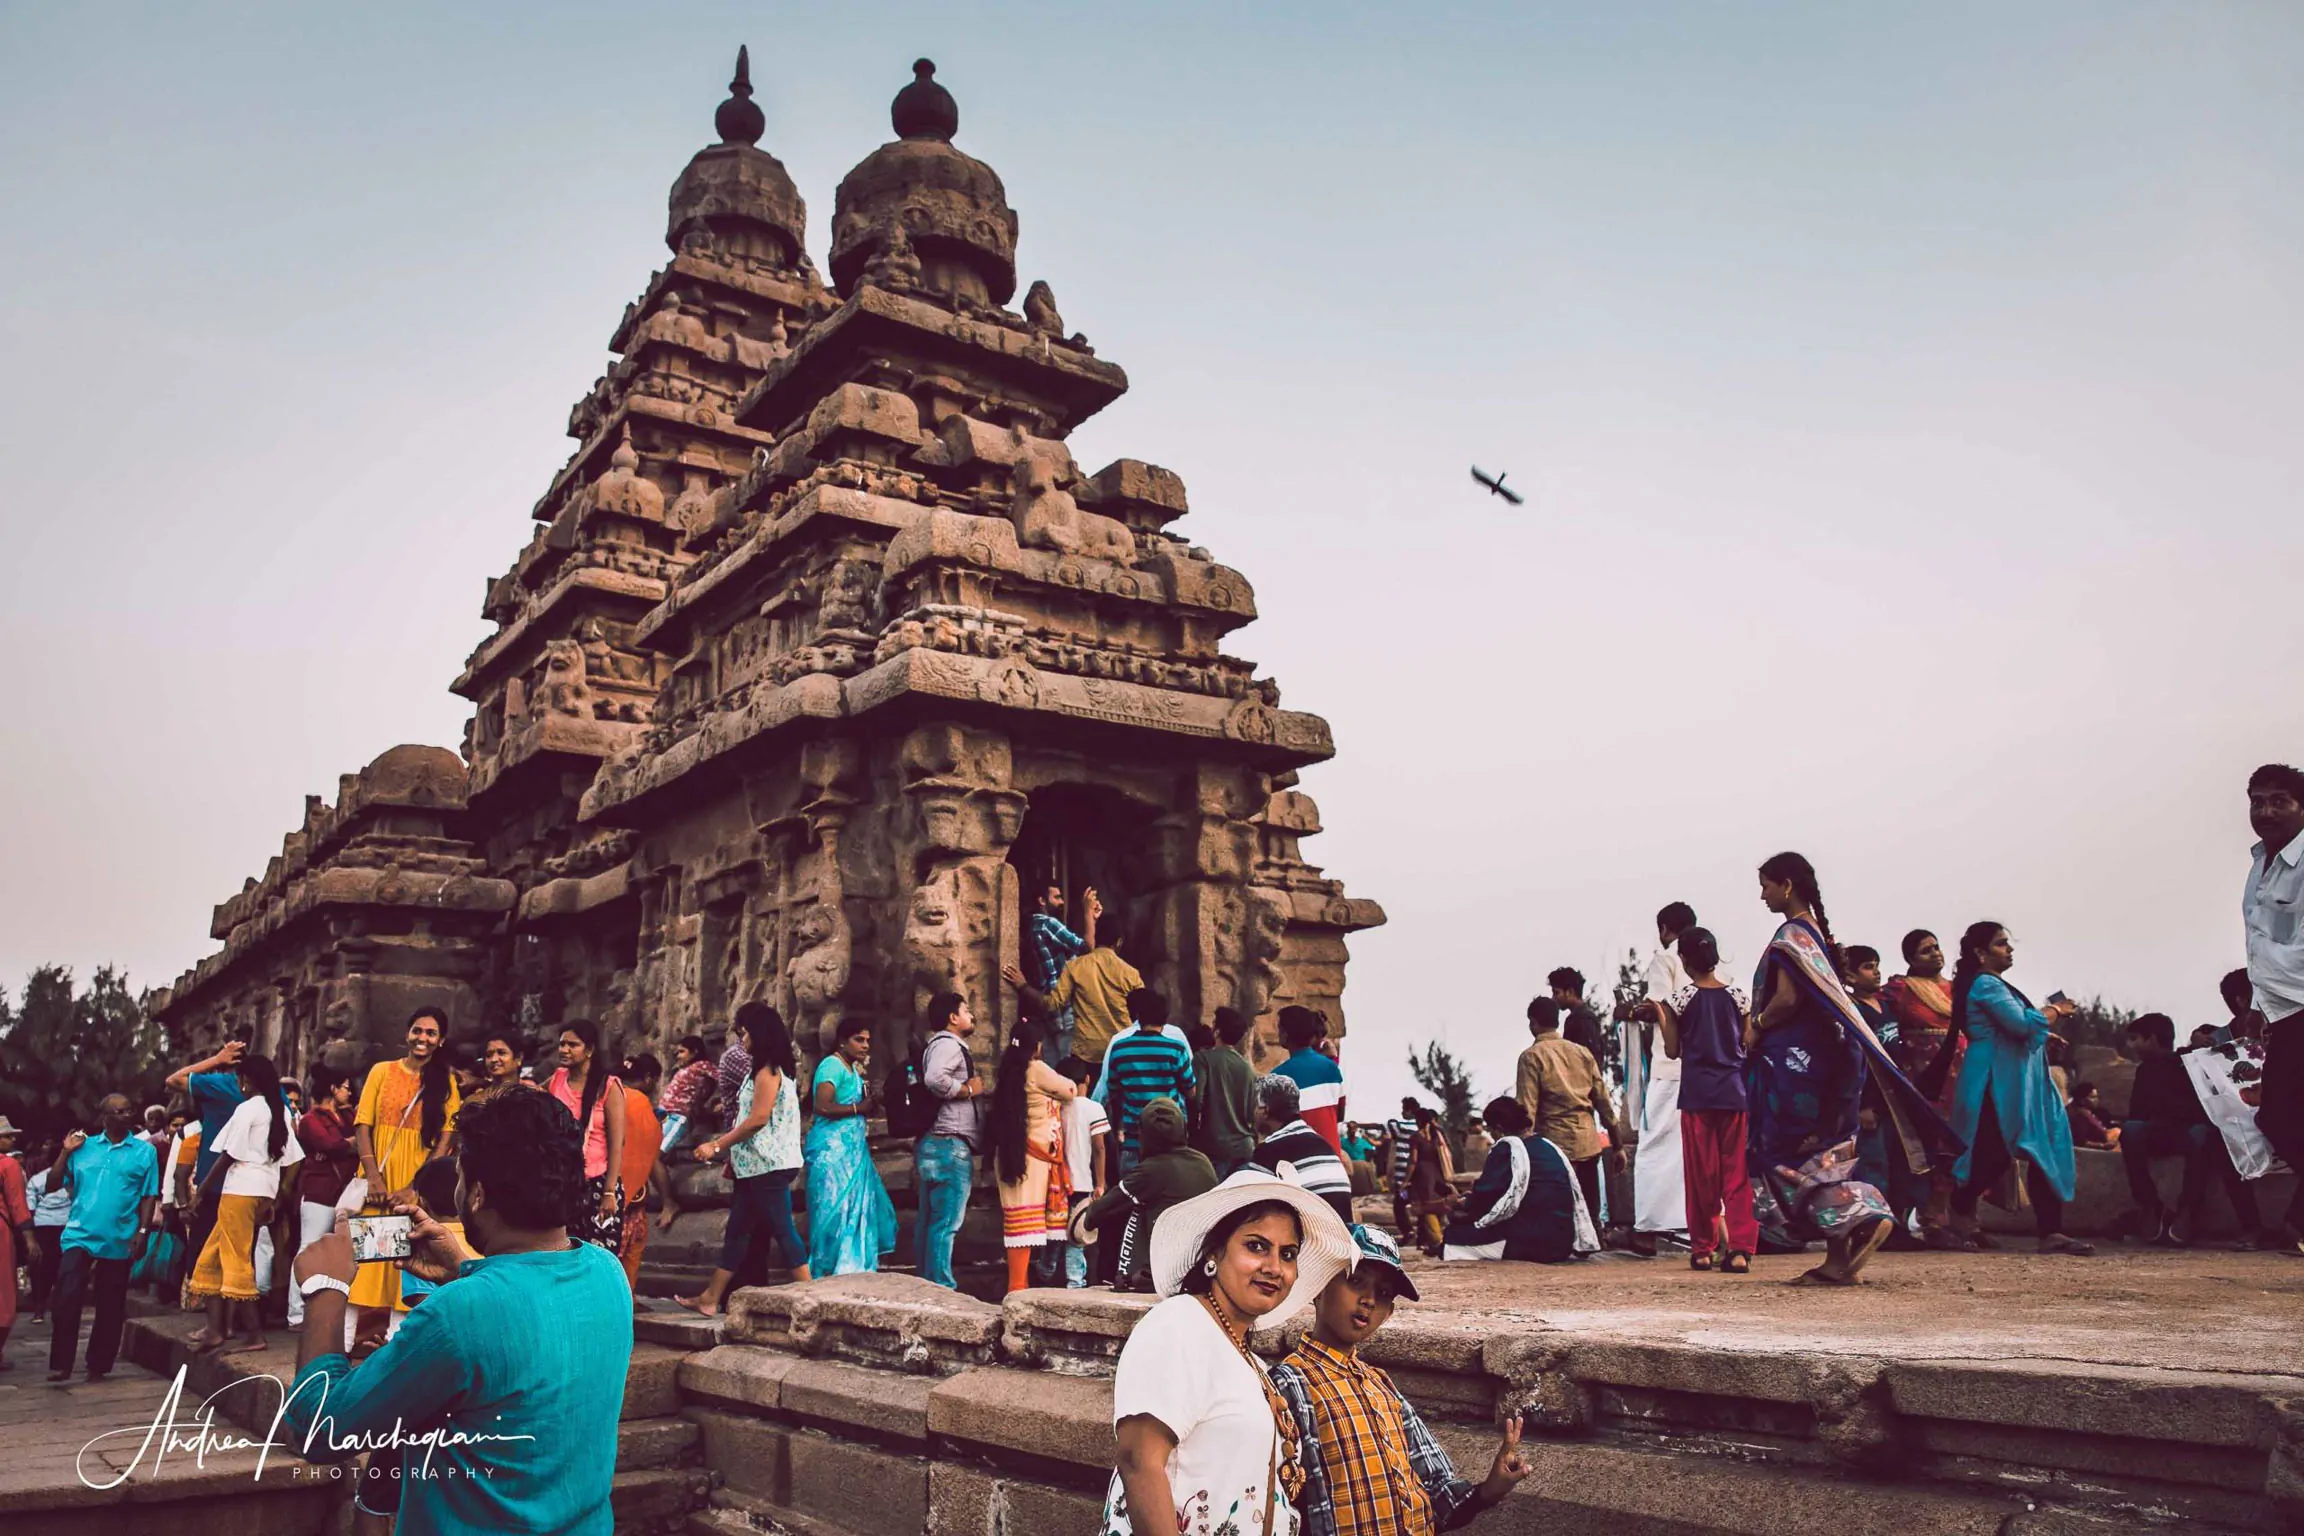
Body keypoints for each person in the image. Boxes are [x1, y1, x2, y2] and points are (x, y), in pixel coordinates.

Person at [282, 1083, 633, 1535]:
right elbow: (530, 1314)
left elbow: (321, 1429)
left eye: (462, 1176)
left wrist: (325, 1287)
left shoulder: (461, 1313)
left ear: (479, 1195)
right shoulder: (607, 1272)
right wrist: (467, 1269)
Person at [1103, 1165, 1354, 1536]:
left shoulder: (1250, 1361)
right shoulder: (1178, 1324)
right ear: (1215, 1253)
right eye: (1256, 1246)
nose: (1274, 1267)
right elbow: (1139, 1460)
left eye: (1288, 1254)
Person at [1749, 852, 1955, 1282]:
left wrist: (1757, 1025)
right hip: (1830, 1066)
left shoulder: (1792, 936)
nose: (1762, 894)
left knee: (1779, 1155)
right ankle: (1838, 1260)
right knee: (1824, 1156)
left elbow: (1787, 998)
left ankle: (1861, 1212)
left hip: (1795, 1065)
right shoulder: (1817, 935)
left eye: (1766, 884)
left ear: (1787, 885)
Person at [1271, 1224, 1531, 1536]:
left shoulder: (1381, 1386)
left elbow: (1436, 1490)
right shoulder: (1291, 1383)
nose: (1368, 1300)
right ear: (1318, 1287)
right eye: (1355, 1281)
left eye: (1382, 1294)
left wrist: (1489, 1490)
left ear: (1389, 1313)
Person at [1934, 921, 2091, 1256]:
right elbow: (2020, 1025)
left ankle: (2051, 1231)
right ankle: (1958, 1215)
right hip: (1995, 1083)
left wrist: (2046, 1034)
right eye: (2001, 944)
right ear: (1980, 953)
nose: (2010, 949)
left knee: (2037, 1149)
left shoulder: (1994, 985)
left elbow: (2015, 1026)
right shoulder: (1986, 985)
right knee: (1993, 1156)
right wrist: (2055, 1011)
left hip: (2015, 1082)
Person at [1634, 926, 1757, 1272]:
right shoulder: (1739, 997)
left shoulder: (1680, 1000)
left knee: (1701, 1174)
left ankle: (1703, 1247)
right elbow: (1748, 1042)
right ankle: (1740, 1249)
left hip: (1697, 1094)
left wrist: (1660, 1014)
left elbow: (1672, 1050)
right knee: (1736, 1175)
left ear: (1684, 961)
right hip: (1734, 1092)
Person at [682, 1003, 810, 1313]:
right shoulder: (772, 1069)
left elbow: (758, 1119)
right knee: (738, 1231)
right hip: (756, 1165)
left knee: (783, 1229)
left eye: (744, 1034)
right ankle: (711, 1298)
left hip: (767, 1164)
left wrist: (717, 1145)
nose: (742, 1041)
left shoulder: (768, 1071)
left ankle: (811, 1297)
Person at [350, 1008, 461, 1347]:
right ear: (407, 1033)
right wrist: (374, 1179)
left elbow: (445, 1138)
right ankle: (343, 1343)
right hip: (378, 1182)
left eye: (430, 1033)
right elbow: (362, 1125)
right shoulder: (381, 1072)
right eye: (417, 1030)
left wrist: (414, 1188)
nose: (422, 1038)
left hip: (415, 1185)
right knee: (366, 1261)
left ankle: (396, 1342)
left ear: (440, 1041)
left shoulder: (446, 1082)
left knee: (406, 1261)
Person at [186, 1053, 305, 1355]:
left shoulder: (248, 1109)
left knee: (236, 1261)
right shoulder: (278, 1110)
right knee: (211, 1259)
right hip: (261, 1190)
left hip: (239, 1190)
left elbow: (228, 1155)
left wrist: (201, 1191)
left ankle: (254, 1335)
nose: (238, 1084)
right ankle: (215, 1330)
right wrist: (274, 1198)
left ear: (247, 1081)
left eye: (239, 1079)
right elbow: (289, 1160)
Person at [46, 1093, 161, 1382]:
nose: (127, 1115)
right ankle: (61, 1364)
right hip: (79, 1235)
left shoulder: (144, 1152)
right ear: (105, 1117)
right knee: (66, 1298)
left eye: (129, 1109)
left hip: (120, 1237)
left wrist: (143, 1232)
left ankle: (98, 1363)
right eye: (119, 1111)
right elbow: (53, 1183)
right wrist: (65, 1152)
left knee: (110, 1304)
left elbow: (149, 1195)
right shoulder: (83, 1148)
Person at [2119, 1012, 2256, 1246]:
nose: (2131, 1045)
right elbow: (2137, 1115)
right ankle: (2150, 1205)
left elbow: (2189, 1062)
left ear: (2151, 1038)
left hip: (2190, 1132)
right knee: (2131, 1130)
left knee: (2201, 1135)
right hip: (2160, 1131)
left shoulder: (2187, 1060)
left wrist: (2194, 1047)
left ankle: (2188, 1211)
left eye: (2135, 1039)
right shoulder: (2145, 1070)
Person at [2241, 763, 2304, 1254]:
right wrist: (2259, 1007)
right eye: (2257, 801)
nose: (2265, 811)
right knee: (2276, 1119)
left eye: (2278, 800)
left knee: (2282, 1116)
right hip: (2284, 1013)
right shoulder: (2260, 864)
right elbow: (2261, 945)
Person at [1618, 901, 1699, 1257]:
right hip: (1704, 1068)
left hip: (1669, 1065)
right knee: (1693, 1149)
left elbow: (1660, 1007)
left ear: (1666, 929)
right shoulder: (1708, 964)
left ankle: (1647, 1229)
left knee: (1652, 1146)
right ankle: (1692, 1223)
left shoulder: (1666, 959)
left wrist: (1631, 1011)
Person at [1072, 1096, 1218, 1291]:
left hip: (1164, 1272)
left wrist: (1085, 1215)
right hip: (1198, 1266)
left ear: (1144, 1136)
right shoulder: (1203, 1163)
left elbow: (1096, 1214)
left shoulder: (1151, 1171)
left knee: (1133, 1205)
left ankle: (1124, 1275)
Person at [1441, 1097, 1595, 1262]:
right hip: (1562, 1244)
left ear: (1499, 1129)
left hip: (1529, 1243)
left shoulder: (1507, 1147)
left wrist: (1459, 1202)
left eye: (1491, 1128)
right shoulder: (1548, 1146)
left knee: (1453, 1234)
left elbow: (1486, 1198)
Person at [992, 1019, 1079, 1293]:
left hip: (1014, 1153)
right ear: (1036, 1046)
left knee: (1019, 1223)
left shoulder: (1007, 1071)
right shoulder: (1037, 1068)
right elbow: (1070, 1090)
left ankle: (1017, 1285)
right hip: (1034, 1158)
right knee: (1025, 1226)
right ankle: (1018, 1289)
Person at [807, 1019, 899, 1276]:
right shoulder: (832, 1066)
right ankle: (829, 1269)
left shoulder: (851, 1069)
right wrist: (860, 1108)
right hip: (832, 1152)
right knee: (833, 1210)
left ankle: (852, 1268)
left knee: (856, 1208)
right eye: (859, 1040)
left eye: (868, 1040)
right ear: (842, 1041)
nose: (865, 1045)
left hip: (852, 1152)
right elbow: (822, 1106)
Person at [1514, 996, 1615, 1223]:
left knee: (1557, 1207)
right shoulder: (1582, 1053)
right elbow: (1604, 1103)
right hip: (1588, 1142)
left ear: (1533, 1022)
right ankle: (1593, 1238)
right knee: (1590, 1206)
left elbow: (1526, 1109)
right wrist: (1617, 1145)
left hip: (1553, 1145)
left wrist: (1522, 1150)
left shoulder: (1531, 1057)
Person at [164, 1035, 249, 1305]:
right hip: (251, 1185)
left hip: (216, 1181)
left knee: (204, 1252)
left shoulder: (221, 1085)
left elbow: (173, 1080)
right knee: (239, 1255)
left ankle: (210, 1314)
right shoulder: (270, 1095)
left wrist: (216, 1059)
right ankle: (231, 1319)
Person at [915, 990, 986, 1289]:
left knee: (930, 1220)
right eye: (966, 1010)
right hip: (949, 1142)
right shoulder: (949, 1045)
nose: (972, 1015)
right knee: (946, 1222)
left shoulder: (934, 1046)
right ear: (952, 1017)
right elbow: (934, 1079)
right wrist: (968, 1090)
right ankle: (942, 1285)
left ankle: (926, 1283)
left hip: (934, 1142)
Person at [1005, 915, 1143, 1068]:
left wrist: (1024, 986)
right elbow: (1143, 1013)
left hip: (1086, 1055)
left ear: (1096, 936)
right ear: (1119, 942)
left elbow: (1052, 1003)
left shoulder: (1075, 967)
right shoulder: (1131, 974)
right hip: (1120, 1051)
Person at [545, 1018, 629, 1254]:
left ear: (590, 1050)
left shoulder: (608, 1086)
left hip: (599, 1182)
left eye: (573, 1045)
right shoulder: (557, 1079)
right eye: (562, 1044)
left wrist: (610, 1192)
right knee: (564, 1251)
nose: (564, 1050)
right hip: (563, 1181)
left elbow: (616, 1143)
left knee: (599, 1255)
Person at [288, 1066, 358, 1333]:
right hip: (318, 1191)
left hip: (344, 1193)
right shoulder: (310, 1119)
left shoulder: (348, 1115)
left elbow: (362, 1139)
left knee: (340, 1253)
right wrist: (351, 1145)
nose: (348, 1092)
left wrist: (348, 1144)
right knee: (309, 1248)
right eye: (345, 1087)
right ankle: (296, 1313)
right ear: (332, 1088)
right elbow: (331, 1145)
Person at [1103, 989, 1197, 1172]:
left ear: (1139, 1017)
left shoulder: (1119, 1049)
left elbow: (1113, 1091)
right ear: (1165, 1018)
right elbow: (1191, 1091)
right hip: (1171, 1139)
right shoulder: (1175, 1049)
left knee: (1132, 1196)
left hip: (1134, 1139)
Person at [1249, 1074, 1354, 1222]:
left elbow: (1247, 1200)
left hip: (1316, 1240)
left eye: (1254, 1107)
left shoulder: (1271, 1149)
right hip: (1343, 1237)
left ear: (1264, 1111)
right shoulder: (1320, 1143)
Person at [1028, 880, 1095, 1061]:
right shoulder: (1048, 924)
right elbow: (1087, 947)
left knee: (1052, 1062)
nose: (1062, 902)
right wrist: (1087, 912)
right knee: (1068, 1064)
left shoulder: (1034, 927)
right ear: (1042, 900)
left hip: (1050, 1008)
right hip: (1063, 1005)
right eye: (1057, 897)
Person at [1057, 1057, 1110, 1287]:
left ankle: (1046, 1270)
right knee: (1076, 1236)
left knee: (1055, 1232)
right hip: (1082, 1183)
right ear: (1087, 1079)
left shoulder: (1055, 1106)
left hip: (1056, 1183)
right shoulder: (1093, 1108)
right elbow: (1099, 1147)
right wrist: (1101, 1182)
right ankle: (1075, 1282)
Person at [1270, 1006, 1347, 1156]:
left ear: (1285, 1034)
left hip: (1300, 1160)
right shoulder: (1331, 1067)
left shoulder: (1277, 1076)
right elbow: (1340, 1114)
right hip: (1332, 1159)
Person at [1192, 1007, 1259, 1180]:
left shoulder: (1203, 1059)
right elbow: (1253, 1110)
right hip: (1245, 1147)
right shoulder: (1247, 1068)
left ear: (1218, 1031)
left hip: (1215, 1147)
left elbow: (1196, 1101)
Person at [616, 1054, 663, 1291]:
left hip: (597, 1193)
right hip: (626, 1196)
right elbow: (651, 1154)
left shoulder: (606, 1096)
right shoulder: (639, 1103)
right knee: (630, 1250)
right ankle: (626, 1302)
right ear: (647, 1079)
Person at [26, 1137, 73, 1320]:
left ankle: (39, 1310)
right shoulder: (73, 1179)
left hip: (44, 1227)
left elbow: (30, 1208)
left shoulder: (36, 1179)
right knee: (61, 1269)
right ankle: (57, 1308)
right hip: (63, 1227)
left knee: (41, 1269)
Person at [1403, 1109, 1457, 1255]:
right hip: (1438, 1175)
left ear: (1419, 1121)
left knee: (1426, 1209)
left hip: (1422, 1177)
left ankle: (1438, 1241)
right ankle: (1434, 1242)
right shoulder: (1437, 1135)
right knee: (1438, 1206)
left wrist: (1405, 1181)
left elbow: (1413, 1161)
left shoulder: (1416, 1137)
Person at [0, 1117, 29, 1366]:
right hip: (1, 1232)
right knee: (5, 1292)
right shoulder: (9, 1165)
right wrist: (30, 1238)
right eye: (6, 1136)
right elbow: (18, 1204)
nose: (12, 1139)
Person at [656, 1034, 715, 1152]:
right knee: (652, 1151)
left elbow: (723, 1077)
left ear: (694, 1052)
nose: (678, 1056)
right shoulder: (682, 1070)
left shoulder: (702, 1066)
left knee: (659, 1152)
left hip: (678, 1116)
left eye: (682, 1052)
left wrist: (718, 1101)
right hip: (662, 1116)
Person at [1547, 968, 1606, 1059]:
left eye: (1556, 993)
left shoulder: (1584, 1019)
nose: (1553, 998)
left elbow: (1588, 1059)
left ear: (1570, 992)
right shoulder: (1576, 1018)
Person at [1383, 1098, 1421, 1234]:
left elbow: (1389, 1124)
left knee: (1399, 1205)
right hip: (1418, 1174)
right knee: (1417, 1202)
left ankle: (1408, 1231)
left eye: (1403, 1109)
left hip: (1403, 1173)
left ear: (1409, 1110)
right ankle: (1419, 1235)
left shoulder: (1399, 1126)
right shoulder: (1419, 1128)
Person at [2065, 1082, 2117, 1150]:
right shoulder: (2080, 1116)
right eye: (2092, 1097)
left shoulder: (2088, 1112)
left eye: (2097, 1097)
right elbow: (2080, 1142)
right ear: (2082, 1100)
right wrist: (2103, 1146)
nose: (2096, 1100)